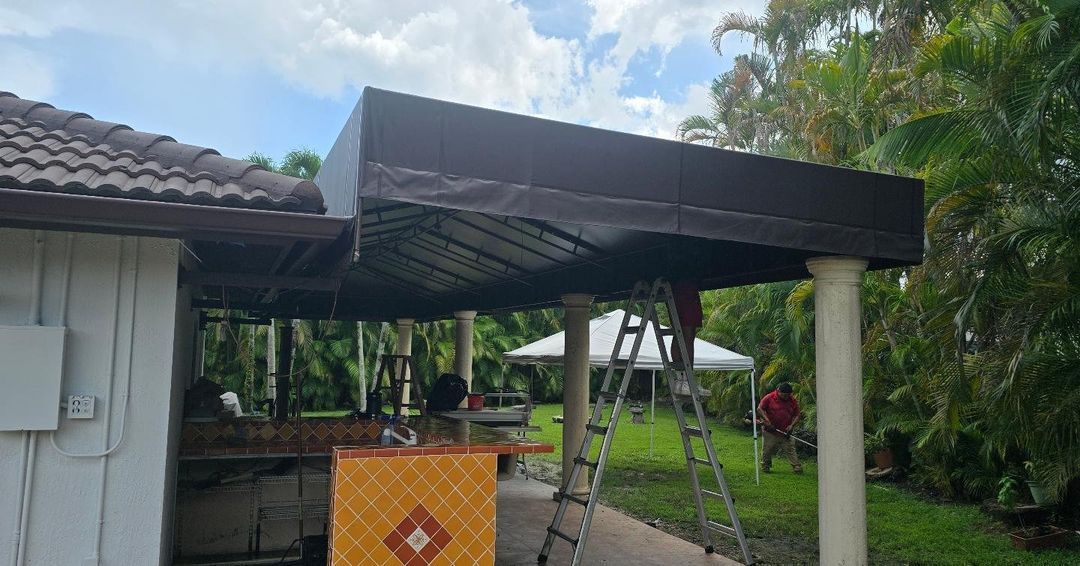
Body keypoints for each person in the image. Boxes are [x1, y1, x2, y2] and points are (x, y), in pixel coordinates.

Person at [757, 382, 802, 473]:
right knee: (767, 449)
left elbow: (797, 415)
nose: (786, 397)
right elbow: (759, 409)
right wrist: (767, 420)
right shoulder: (769, 397)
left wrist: (791, 425)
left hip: (785, 431)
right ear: (778, 391)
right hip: (770, 430)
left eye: (788, 395)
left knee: (790, 448)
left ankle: (796, 466)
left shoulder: (792, 400)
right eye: (784, 395)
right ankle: (765, 466)